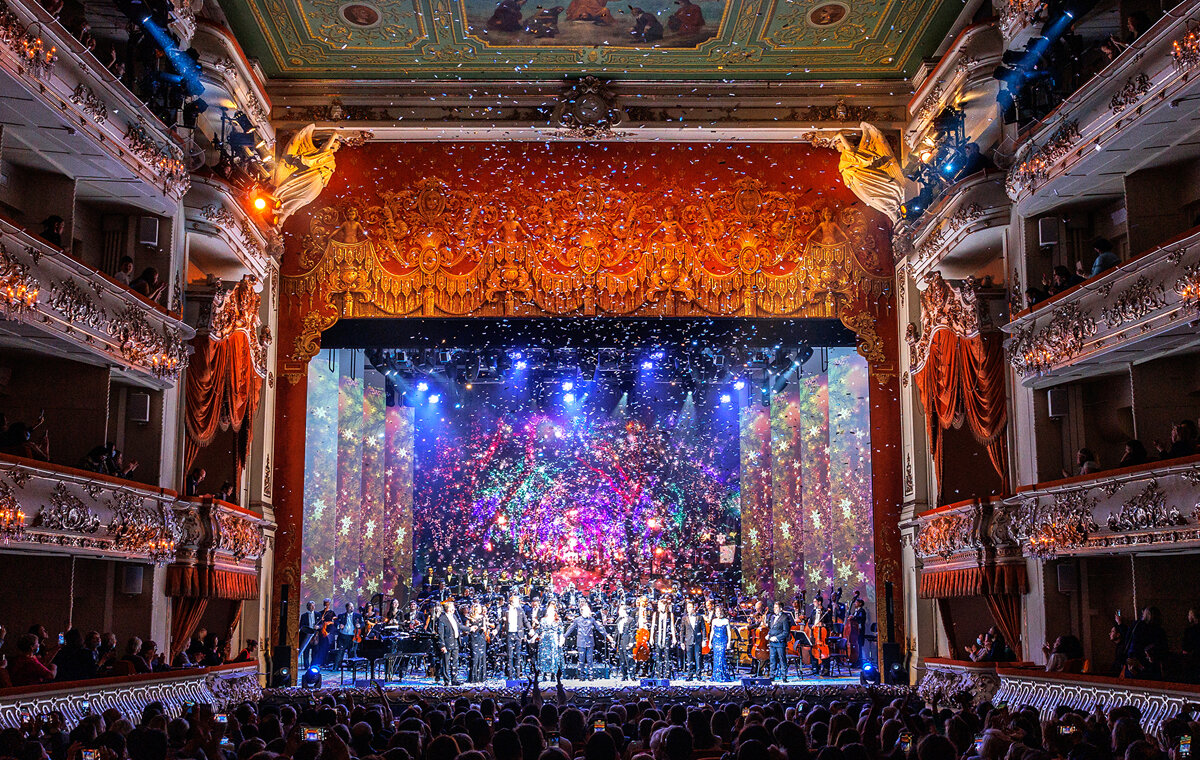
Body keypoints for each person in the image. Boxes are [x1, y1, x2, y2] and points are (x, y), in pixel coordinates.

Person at [563, 601, 612, 681]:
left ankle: (590, 675)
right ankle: (581, 676)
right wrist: (564, 636)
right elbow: (571, 629)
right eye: (586, 611)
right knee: (581, 660)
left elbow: (599, 628)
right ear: (582, 612)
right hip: (581, 642)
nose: (588, 612)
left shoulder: (592, 620)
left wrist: (607, 635)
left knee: (590, 660)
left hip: (590, 642)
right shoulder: (577, 620)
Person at [435, 600, 462, 686]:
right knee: (446, 662)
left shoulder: (454, 616)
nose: (454, 609)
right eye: (452, 607)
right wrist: (442, 645)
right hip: (447, 643)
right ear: (448, 609)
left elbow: (459, 626)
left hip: (455, 641)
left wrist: (470, 629)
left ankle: (454, 679)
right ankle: (446, 680)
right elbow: (440, 633)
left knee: (455, 661)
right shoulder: (442, 619)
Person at [537, 602, 565, 684]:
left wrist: (561, 641)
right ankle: (544, 673)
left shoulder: (558, 620)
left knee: (553, 656)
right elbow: (539, 630)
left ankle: (553, 674)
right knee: (544, 656)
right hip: (544, 639)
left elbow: (561, 632)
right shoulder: (543, 620)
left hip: (553, 639)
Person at [503, 594, 529, 678]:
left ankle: (517, 675)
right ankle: (510, 675)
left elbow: (525, 621)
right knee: (509, 655)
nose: (518, 603)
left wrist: (530, 629)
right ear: (512, 602)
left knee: (517, 655)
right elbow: (500, 622)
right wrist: (497, 629)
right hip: (509, 634)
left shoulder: (520, 611)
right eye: (517, 602)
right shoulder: (505, 611)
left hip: (518, 634)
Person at [650, 597, 676, 678]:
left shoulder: (670, 614)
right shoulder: (656, 614)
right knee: (658, 656)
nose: (660, 607)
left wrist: (674, 637)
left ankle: (667, 674)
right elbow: (653, 626)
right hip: (658, 636)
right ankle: (659, 674)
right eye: (659, 605)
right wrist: (651, 637)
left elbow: (672, 626)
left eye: (662, 605)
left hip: (666, 636)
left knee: (667, 656)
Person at [767, 600, 792, 681]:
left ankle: (784, 676)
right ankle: (772, 676)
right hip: (772, 642)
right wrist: (768, 635)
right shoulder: (772, 617)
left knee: (782, 659)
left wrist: (777, 638)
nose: (774, 609)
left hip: (780, 643)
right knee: (772, 659)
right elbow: (771, 628)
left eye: (776, 608)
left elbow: (786, 632)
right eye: (774, 608)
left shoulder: (784, 618)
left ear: (781, 609)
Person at [679, 599, 705, 680]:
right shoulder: (684, 618)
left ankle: (698, 675)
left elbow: (703, 629)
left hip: (697, 640)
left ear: (694, 608)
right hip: (688, 640)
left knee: (698, 658)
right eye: (688, 607)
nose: (689, 609)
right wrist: (681, 642)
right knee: (689, 658)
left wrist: (704, 639)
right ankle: (690, 675)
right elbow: (682, 631)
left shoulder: (699, 617)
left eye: (690, 607)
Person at [465, 601, 489, 683]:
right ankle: (473, 677)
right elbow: (466, 629)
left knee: (481, 656)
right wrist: (470, 628)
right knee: (474, 657)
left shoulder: (482, 618)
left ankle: (481, 677)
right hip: (473, 638)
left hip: (481, 638)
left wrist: (484, 629)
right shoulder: (469, 618)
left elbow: (485, 628)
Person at [334, 602, 363, 667]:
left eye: (352, 606)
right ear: (346, 608)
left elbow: (362, 623)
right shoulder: (341, 615)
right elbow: (336, 622)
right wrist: (339, 625)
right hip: (343, 636)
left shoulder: (358, 616)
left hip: (353, 636)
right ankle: (336, 667)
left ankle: (351, 667)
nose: (352, 608)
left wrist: (359, 625)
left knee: (351, 652)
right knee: (340, 652)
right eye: (350, 607)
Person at [708, 603, 731, 682]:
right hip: (715, 641)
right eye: (717, 612)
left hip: (723, 641)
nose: (718, 613)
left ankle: (723, 675)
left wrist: (729, 642)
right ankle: (716, 675)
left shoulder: (726, 620)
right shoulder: (714, 621)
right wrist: (710, 642)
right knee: (716, 658)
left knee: (721, 657)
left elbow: (729, 632)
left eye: (719, 612)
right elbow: (712, 632)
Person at [615, 602, 636, 681]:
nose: (619, 612)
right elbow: (616, 631)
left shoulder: (631, 620)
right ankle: (624, 675)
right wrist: (614, 641)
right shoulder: (619, 620)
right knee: (622, 659)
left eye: (620, 610)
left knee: (629, 659)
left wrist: (631, 642)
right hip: (620, 640)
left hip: (627, 640)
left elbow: (633, 632)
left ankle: (632, 675)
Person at [298, 601, 319, 669]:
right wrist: (308, 629)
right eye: (310, 606)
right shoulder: (304, 615)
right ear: (307, 607)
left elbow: (321, 624)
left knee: (315, 651)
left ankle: (313, 665)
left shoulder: (318, 614)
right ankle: (306, 666)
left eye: (313, 606)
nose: (312, 607)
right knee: (306, 651)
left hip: (315, 636)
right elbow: (301, 626)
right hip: (306, 635)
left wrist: (318, 627)